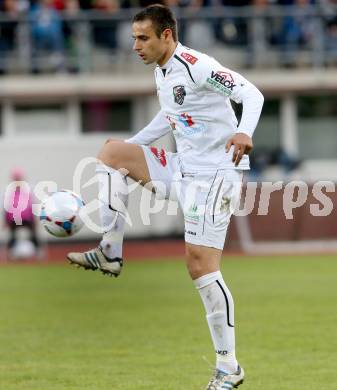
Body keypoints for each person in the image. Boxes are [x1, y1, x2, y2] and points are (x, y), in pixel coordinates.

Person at [67, 4, 264, 389]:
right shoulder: (162, 71)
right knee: (111, 152)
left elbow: (251, 94)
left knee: (200, 265)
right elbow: (170, 116)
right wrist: (132, 146)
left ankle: (228, 367)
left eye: (143, 38)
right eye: (134, 38)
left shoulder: (197, 65)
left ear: (167, 35)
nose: (136, 46)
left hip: (216, 175)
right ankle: (110, 251)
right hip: (183, 168)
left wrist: (244, 132)